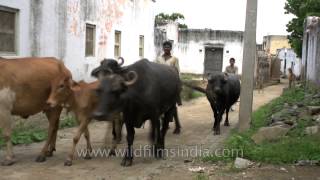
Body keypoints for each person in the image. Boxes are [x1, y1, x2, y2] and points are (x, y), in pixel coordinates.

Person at [155, 41, 181, 105]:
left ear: (170, 48)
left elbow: (177, 70)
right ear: (163, 48)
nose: (166, 48)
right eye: (165, 47)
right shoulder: (158, 58)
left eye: (168, 47)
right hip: (160, 80)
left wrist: (178, 80)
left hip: (171, 80)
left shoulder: (174, 59)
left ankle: (177, 99)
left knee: (177, 89)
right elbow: (154, 68)